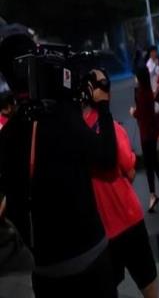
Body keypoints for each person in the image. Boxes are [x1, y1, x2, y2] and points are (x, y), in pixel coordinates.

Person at [0, 53, 118, 297]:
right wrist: (103, 106)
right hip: (89, 261)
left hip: (46, 272)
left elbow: (11, 205)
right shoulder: (62, 119)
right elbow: (107, 159)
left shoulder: (8, 135)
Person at [83, 68, 158, 298]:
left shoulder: (76, 131)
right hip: (128, 218)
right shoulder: (113, 128)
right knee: (147, 280)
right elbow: (130, 168)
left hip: (101, 231)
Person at [130, 67, 159, 213]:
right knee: (155, 161)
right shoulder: (147, 92)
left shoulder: (141, 94)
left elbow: (141, 114)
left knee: (149, 165)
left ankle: (152, 194)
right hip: (152, 133)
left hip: (145, 135)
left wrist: (133, 112)